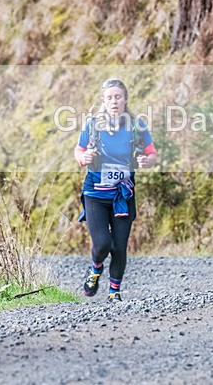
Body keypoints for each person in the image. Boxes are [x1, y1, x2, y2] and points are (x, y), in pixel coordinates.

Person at [74, 78, 157, 302]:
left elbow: (151, 153)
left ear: (125, 99)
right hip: (96, 194)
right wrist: (84, 158)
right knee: (102, 244)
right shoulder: (92, 124)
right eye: (109, 97)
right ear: (103, 100)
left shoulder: (136, 126)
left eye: (118, 97)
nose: (114, 101)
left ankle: (114, 292)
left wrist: (145, 161)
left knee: (119, 247)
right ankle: (95, 269)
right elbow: (79, 150)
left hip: (123, 194)